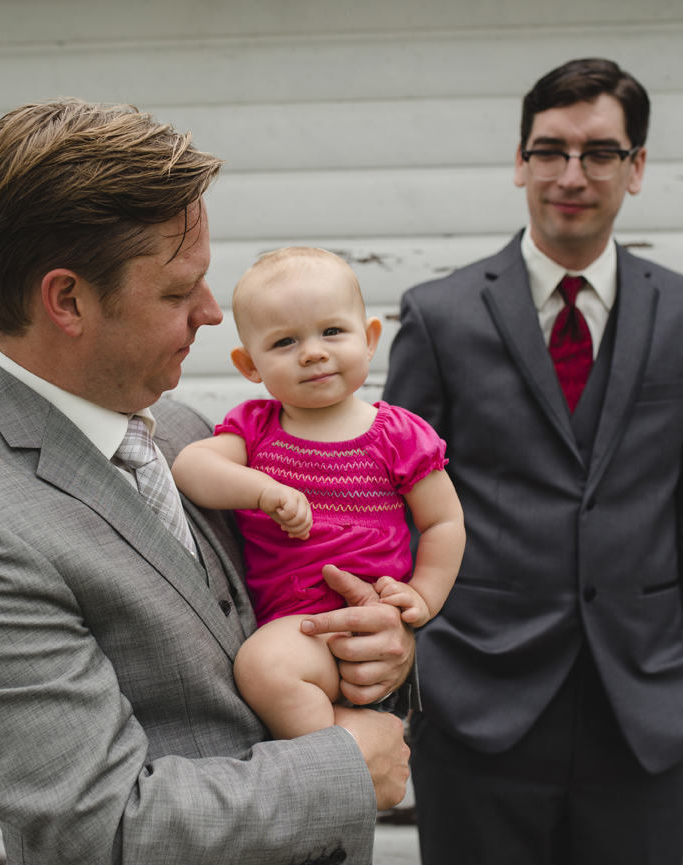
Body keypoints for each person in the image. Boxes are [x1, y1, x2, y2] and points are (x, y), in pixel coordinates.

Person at [0, 99, 414, 865]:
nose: (210, 311)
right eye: (175, 291)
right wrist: (343, 769)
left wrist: (382, 654)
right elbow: (99, 828)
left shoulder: (197, 435)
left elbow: (293, 610)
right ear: (67, 300)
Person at [382, 58, 683, 864]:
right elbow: (395, 510)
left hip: (648, 703)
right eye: (549, 150)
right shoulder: (439, 316)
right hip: (477, 697)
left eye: (600, 152)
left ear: (637, 166)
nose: (571, 174)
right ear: (520, 161)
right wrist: (420, 671)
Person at [171, 247, 464, 740]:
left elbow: (443, 523)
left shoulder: (397, 434)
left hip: (366, 619)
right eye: (285, 341)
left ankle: (335, 767)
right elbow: (190, 466)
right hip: (296, 622)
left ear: (369, 339)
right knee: (267, 667)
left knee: (265, 668)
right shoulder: (257, 429)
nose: (313, 351)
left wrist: (423, 597)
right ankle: (337, 761)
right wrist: (263, 491)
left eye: (332, 331)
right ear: (250, 365)